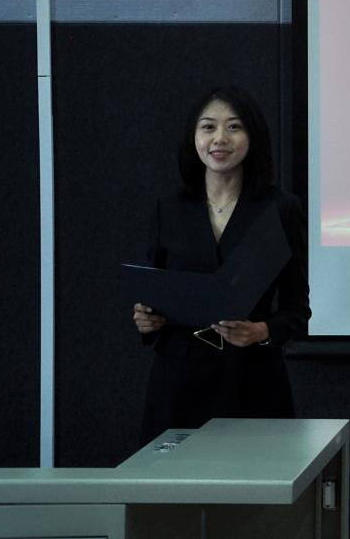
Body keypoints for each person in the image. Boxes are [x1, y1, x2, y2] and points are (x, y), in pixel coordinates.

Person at [132, 85, 310, 443]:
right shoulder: (170, 208)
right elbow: (154, 293)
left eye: (234, 127)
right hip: (178, 380)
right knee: (172, 478)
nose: (220, 139)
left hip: (252, 379)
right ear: (194, 137)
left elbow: (298, 310)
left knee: (255, 477)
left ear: (252, 136)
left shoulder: (279, 209)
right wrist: (145, 320)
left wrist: (261, 331)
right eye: (208, 127)